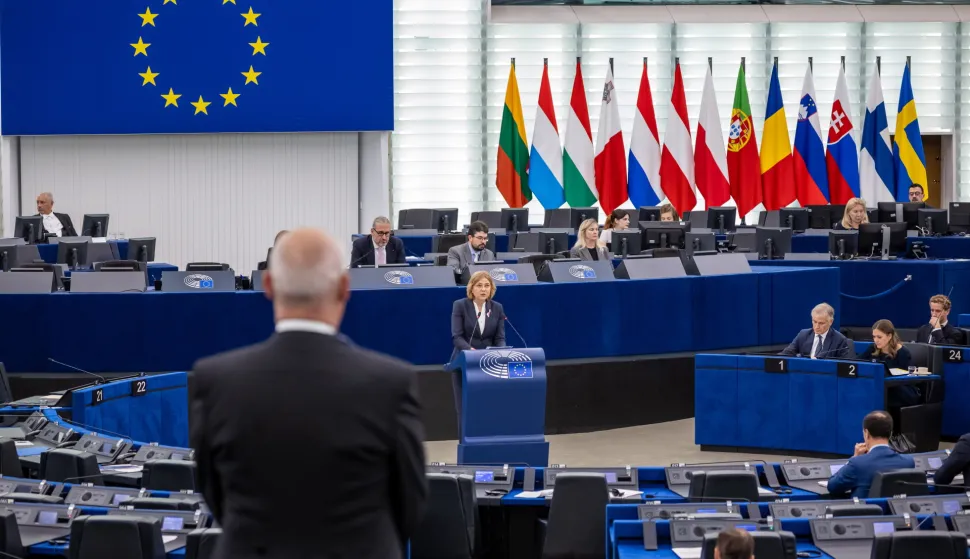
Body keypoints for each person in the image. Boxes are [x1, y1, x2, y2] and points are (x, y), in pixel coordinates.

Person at [190, 228, 427, 559]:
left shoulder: (215, 381)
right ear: (344, 287)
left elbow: (214, 495)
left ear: (269, 285)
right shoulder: (390, 382)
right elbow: (410, 504)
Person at [827, 410, 915, 498]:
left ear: (867, 433)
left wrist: (854, 457)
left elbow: (832, 486)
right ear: (891, 433)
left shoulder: (857, 464)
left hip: (867, 511)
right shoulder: (908, 462)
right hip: (896, 511)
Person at [861, 319, 919, 407]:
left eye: (879, 337)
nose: (876, 340)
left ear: (889, 336)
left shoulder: (903, 353)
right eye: (874, 337)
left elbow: (907, 380)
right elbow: (858, 362)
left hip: (900, 390)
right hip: (881, 387)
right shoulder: (873, 348)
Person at [450, 270, 506, 359]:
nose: (483, 289)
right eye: (479, 285)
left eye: (487, 285)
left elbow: (500, 338)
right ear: (472, 288)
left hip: (489, 360)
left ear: (491, 288)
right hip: (464, 358)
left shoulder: (497, 307)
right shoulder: (460, 305)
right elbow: (457, 337)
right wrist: (471, 351)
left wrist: (502, 351)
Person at [780, 303, 853, 359]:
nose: (817, 326)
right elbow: (787, 353)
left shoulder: (839, 340)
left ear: (830, 322)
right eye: (814, 322)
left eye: (821, 323)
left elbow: (843, 366)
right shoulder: (803, 335)